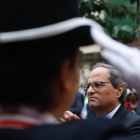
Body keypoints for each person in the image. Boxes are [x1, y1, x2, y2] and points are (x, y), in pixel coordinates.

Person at [0, 0, 130, 140]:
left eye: (98, 84)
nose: (90, 90)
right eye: (77, 65)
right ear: (64, 75)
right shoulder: (97, 135)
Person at [85, 62, 140, 138]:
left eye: (97, 85)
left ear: (119, 90)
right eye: (88, 86)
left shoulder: (135, 124)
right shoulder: (88, 125)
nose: (89, 91)